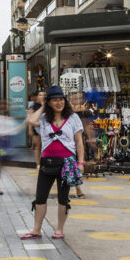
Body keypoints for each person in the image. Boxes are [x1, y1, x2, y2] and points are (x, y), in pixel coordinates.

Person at [22, 86, 84, 241]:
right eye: (55, 100)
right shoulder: (43, 119)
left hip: (67, 163)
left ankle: (59, 229)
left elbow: (79, 142)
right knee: (40, 197)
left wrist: (80, 163)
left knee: (63, 199)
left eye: (61, 99)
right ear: (49, 102)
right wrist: (42, 106)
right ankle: (36, 230)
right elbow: (30, 120)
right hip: (47, 163)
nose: (59, 102)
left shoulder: (73, 118)